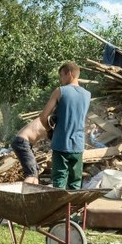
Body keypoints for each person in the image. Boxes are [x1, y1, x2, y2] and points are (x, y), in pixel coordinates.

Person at [38, 62, 90, 190]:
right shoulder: (87, 94)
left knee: (59, 181)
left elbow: (43, 116)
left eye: (62, 76)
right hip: (78, 145)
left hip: (61, 143)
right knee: (75, 182)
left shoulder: (60, 91)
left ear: (69, 74)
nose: (61, 80)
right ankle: (73, 209)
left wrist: (49, 129)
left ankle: (60, 209)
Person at [10, 116, 51, 184]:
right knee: (31, 174)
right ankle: (22, 194)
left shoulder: (48, 117)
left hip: (23, 142)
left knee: (35, 173)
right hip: (22, 141)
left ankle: (34, 193)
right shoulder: (52, 120)